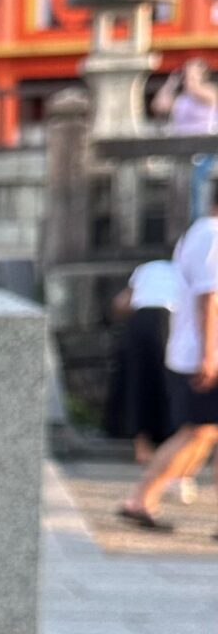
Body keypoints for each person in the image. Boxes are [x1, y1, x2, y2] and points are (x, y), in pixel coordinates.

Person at [120, 179, 218, 531]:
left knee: (202, 432)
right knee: (195, 432)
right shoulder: (211, 235)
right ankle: (142, 497)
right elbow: (210, 297)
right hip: (203, 354)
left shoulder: (199, 233)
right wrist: (209, 355)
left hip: (197, 350)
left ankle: (143, 497)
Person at [104, 256, 183, 461]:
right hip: (171, 320)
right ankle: (170, 442)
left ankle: (141, 444)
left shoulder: (145, 269)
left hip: (140, 321)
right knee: (170, 383)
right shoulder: (189, 267)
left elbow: (120, 303)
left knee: (137, 381)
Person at [152, 56, 218, 222]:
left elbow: (195, 89)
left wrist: (191, 78)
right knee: (178, 188)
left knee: (197, 185)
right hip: (181, 151)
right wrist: (171, 83)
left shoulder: (209, 92)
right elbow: (158, 106)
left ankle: (198, 222)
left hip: (205, 150)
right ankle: (182, 225)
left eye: (193, 71)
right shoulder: (182, 98)